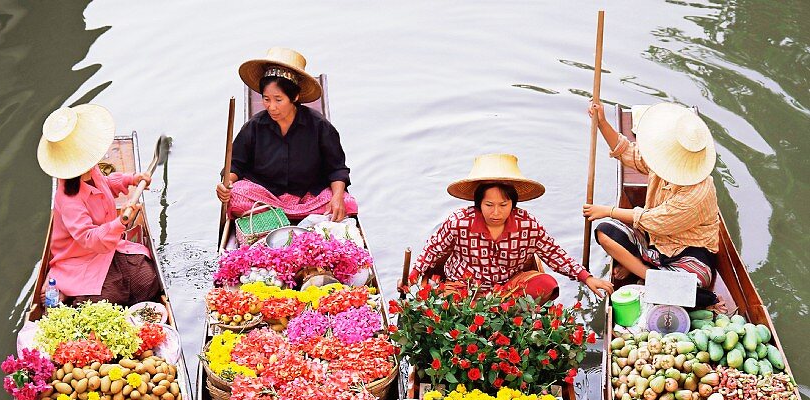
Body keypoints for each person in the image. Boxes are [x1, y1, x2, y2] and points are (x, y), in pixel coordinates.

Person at [406, 154, 612, 300]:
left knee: (546, 284)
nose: (496, 213)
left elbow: (554, 253)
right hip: (463, 288)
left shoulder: (527, 225)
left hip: (506, 290)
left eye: (503, 205)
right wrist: (411, 276)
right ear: (478, 204)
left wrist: (586, 277)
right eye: (489, 205)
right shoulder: (458, 222)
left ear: (513, 204)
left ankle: (497, 312)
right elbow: (432, 251)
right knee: (442, 302)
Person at [583, 101, 720, 306]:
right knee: (605, 232)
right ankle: (652, 275)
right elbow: (627, 152)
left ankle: (647, 275)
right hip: (654, 241)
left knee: (693, 283)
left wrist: (609, 211)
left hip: (690, 252)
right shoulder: (663, 160)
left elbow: (656, 220)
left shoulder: (699, 192)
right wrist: (601, 122)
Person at [215, 47, 357, 224]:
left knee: (347, 202)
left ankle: (277, 219)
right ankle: (280, 217)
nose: (271, 107)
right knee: (235, 195)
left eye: (278, 99)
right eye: (266, 99)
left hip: (309, 197)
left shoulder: (320, 127)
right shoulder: (254, 127)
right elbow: (235, 164)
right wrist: (225, 184)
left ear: (295, 97)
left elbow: (336, 169)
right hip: (265, 197)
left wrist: (337, 197)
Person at [37, 104, 160, 306]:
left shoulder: (91, 171)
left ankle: (68, 292)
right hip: (80, 261)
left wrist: (131, 179)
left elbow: (107, 184)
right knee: (106, 301)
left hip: (109, 249)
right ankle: (64, 290)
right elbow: (89, 238)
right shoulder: (67, 198)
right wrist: (121, 222)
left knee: (147, 281)